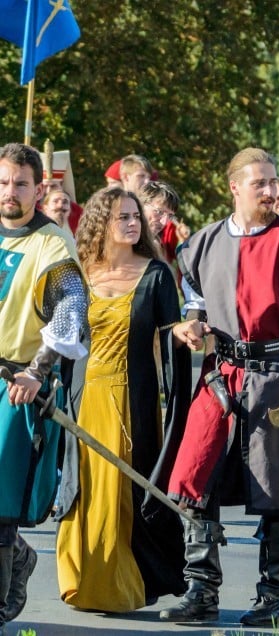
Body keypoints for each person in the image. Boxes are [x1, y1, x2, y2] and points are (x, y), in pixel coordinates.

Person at [158, 148, 279, 627]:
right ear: (234, 187)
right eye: (260, 183)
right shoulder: (201, 244)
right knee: (193, 480)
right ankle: (202, 592)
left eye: (274, 182)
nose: (272, 191)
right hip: (220, 376)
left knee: (277, 493)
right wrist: (193, 324)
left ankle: (272, 598)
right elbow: (196, 300)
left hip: (276, 379)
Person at [55, 188, 193, 612]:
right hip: (83, 397)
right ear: (101, 223)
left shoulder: (156, 274)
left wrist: (182, 333)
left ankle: (127, 583)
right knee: (86, 488)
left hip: (132, 399)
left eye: (136, 216)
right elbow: (61, 339)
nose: (133, 223)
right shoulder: (79, 273)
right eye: (123, 217)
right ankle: (84, 580)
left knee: (127, 490)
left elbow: (171, 330)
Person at [0, 143, 88, 627]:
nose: (9, 192)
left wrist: (37, 369)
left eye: (19, 183)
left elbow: (71, 307)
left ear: (39, 189)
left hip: (17, 383)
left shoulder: (51, 242)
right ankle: (21, 555)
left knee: (0, 498)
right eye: (3, 181)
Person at [140, 181, 189, 268]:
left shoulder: (157, 246)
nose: (164, 222)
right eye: (159, 212)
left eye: (170, 216)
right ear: (141, 205)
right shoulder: (122, 242)